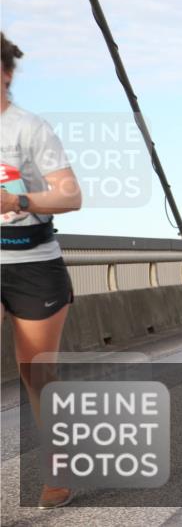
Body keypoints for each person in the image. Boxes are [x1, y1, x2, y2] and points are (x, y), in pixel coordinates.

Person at [1, 32, 82, 509]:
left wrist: (20, 200)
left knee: (35, 371)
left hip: (33, 263)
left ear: (6, 75)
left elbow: (71, 196)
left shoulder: (29, 129)